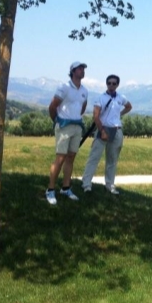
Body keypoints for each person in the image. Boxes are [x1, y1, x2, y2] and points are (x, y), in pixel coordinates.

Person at [81, 74, 133, 195]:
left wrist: (119, 115)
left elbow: (129, 106)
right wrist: (102, 130)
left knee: (112, 160)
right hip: (103, 129)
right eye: (109, 83)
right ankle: (86, 184)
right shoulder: (100, 98)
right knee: (94, 158)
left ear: (117, 85)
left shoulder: (121, 97)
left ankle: (110, 185)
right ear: (106, 84)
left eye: (114, 83)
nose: (111, 85)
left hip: (117, 129)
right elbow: (96, 116)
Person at [46, 61, 89, 205]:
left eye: (83, 69)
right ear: (73, 71)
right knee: (60, 158)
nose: (82, 71)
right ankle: (50, 190)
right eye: (80, 69)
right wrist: (57, 121)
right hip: (64, 126)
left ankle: (66, 187)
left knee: (71, 157)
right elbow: (52, 106)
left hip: (77, 126)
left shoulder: (84, 90)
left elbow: (82, 108)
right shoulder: (64, 87)